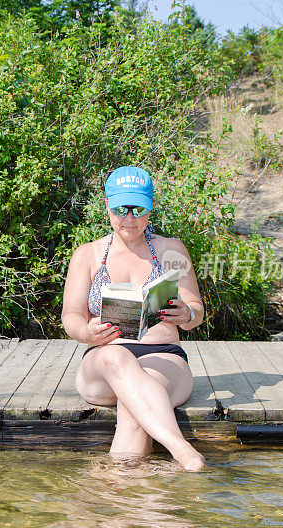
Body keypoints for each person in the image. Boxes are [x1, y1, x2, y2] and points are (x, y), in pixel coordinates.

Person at [61, 166, 205, 472]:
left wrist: (186, 313)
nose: (130, 219)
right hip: (104, 360)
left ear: (150, 207)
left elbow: (197, 311)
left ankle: (126, 503)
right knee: (116, 358)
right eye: (121, 209)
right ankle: (182, 450)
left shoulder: (172, 250)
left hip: (163, 358)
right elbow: (70, 316)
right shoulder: (87, 254)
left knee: (134, 409)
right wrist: (87, 332)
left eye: (138, 209)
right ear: (107, 205)